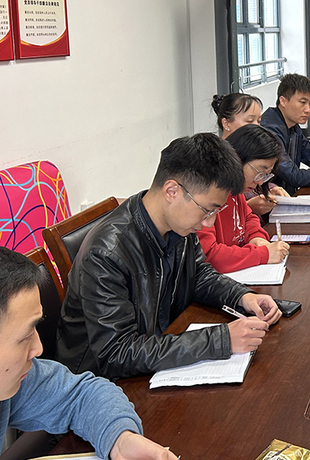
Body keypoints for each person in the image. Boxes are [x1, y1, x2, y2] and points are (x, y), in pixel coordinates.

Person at [0, 243, 192, 460]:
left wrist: (119, 441)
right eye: (24, 336)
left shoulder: (4, 381)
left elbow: (80, 395)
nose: (38, 349)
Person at [57, 133, 282, 379]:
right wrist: (220, 340)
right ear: (172, 191)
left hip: (153, 354)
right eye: (207, 210)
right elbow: (116, 353)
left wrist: (242, 296)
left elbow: (199, 275)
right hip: (99, 383)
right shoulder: (106, 253)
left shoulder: (179, 224)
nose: (209, 223)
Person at [197, 125, 290, 273]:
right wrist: (263, 254)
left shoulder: (237, 189)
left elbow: (248, 217)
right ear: (238, 159)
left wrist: (257, 238)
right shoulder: (209, 195)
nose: (260, 182)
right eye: (259, 172)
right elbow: (210, 256)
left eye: (266, 175)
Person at [212, 93, 290, 218]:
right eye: (249, 121)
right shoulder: (218, 170)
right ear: (226, 124)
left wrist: (271, 188)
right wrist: (249, 207)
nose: (256, 126)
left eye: (258, 121)